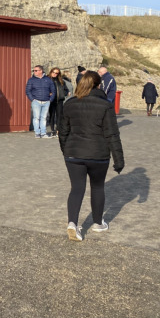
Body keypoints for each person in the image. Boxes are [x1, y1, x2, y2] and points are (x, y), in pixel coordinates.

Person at [59, 71, 125, 242]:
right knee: (97, 187)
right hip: (98, 154)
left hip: (73, 154)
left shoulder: (70, 103)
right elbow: (112, 134)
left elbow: (63, 131)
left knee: (76, 188)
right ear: (98, 85)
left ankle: (72, 223)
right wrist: (119, 160)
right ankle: (97, 223)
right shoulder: (105, 105)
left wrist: (66, 150)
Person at [25, 65, 54, 139]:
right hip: (36, 101)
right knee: (36, 117)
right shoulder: (31, 80)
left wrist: (50, 99)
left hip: (46, 101)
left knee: (43, 118)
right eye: (34, 70)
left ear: (41, 71)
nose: (34, 72)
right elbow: (28, 91)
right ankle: (37, 133)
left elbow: (53, 90)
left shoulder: (48, 79)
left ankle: (43, 133)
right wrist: (32, 99)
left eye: (36, 70)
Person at [47, 67, 69, 138]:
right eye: (53, 72)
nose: (54, 74)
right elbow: (44, 89)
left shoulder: (61, 81)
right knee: (52, 115)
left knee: (60, 116)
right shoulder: (48, 80)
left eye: (56, 73)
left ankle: (58, 130)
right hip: (51, 101)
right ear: (51, 72)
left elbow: (66, 89)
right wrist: (48, 93)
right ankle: (52, 129)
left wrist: (64, 94)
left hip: (59, 100)